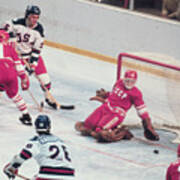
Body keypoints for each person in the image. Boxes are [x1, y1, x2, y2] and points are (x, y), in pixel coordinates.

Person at [75, 69, 160, 142]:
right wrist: (105, 95)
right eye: (127, 80)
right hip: (106, 107)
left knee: (101, 133)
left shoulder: (136, 94)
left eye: (132, 81)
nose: (129, 83)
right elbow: (114, 95)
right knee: (84, 126)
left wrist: (147, 126)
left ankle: (122, 133)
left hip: (116, 113)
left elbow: (142, 111)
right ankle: (111, 128)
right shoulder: (119, 83)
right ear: (124, 79)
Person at [2, 5, 58, 109]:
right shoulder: (16, 22)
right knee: (7, 75)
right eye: (33, 17)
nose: (35, 20)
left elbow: (37, 50)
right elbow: (3, 30)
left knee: (45, 80)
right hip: (16, 56)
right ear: (27, 16)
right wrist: (9, 35)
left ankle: (48, 97)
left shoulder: (39, 30)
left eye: (37, 17)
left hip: (29, 56)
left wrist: (33, 65)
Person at [3, 115, 75, 180]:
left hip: (48, 174)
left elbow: (23, 156)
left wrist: (12, 167)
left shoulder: (36, 141)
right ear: (49, 126)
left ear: (36, 127)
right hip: (70, 175)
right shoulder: (60, 141)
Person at [0, 29, 32, 125]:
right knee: (14, 95)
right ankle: (26, 115)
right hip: (11, 73)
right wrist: (23, 78)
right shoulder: (10, 48)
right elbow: (19, 65)